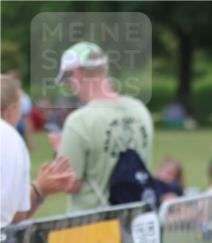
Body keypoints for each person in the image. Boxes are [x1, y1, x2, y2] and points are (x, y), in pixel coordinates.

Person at [53, 41, 153, 211]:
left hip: (93, 225)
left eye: (69, 81)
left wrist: (58, 149)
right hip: (137, 218)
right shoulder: (140, 109)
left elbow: (70, 184)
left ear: (76, 73)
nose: (71, 88)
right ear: (104, 69)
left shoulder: (79, 121)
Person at [0, 74, 75, 227]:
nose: (20, 116)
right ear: (10, 110)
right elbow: (15, 214)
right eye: (20, 110)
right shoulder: (10, 138)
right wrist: (40, 188)